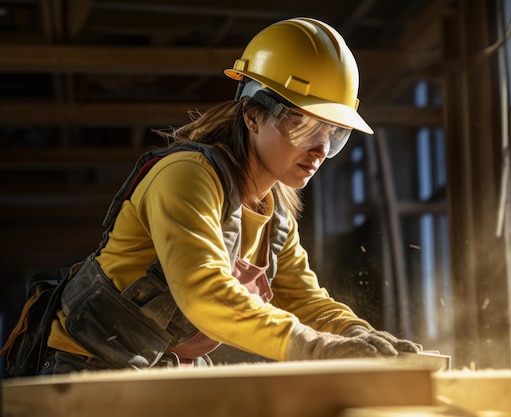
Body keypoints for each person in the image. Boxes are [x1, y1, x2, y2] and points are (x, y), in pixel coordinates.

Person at [33, 17, 422, 374]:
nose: (320, 148)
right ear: (252, 115)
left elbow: (302, 297)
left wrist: (357, 333)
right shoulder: (186, 177)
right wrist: (316, 349)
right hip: (86, 363)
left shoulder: (276, 212)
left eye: (333, 134)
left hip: (162, 367)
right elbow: (205, 294)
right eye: (304, 127)